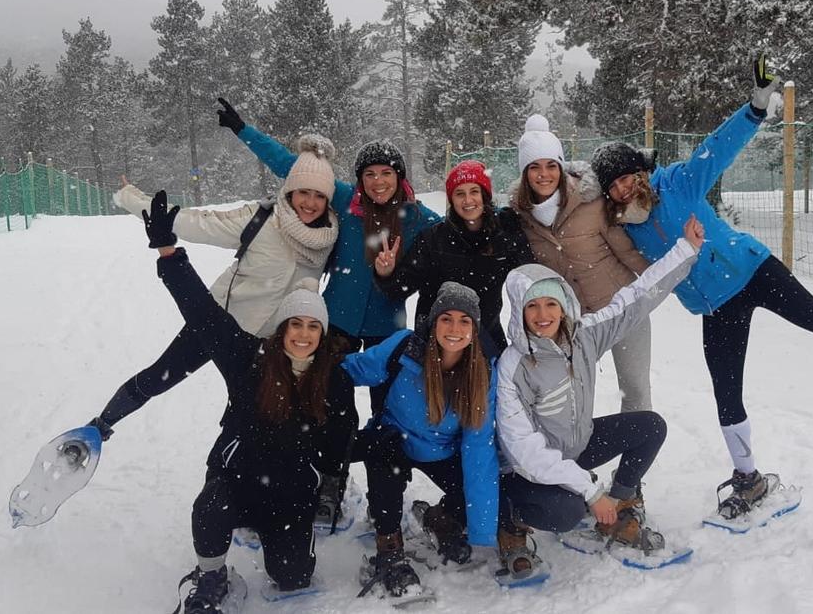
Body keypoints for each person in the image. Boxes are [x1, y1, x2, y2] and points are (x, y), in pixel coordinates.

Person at [594, 53, 813, 522]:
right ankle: (749, 478)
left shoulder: (679, 182)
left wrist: (756, 108)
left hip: (754, 270)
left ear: (640, 171)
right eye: (614, 185)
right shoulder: (622, 226)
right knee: (726, 392)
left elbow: (719, 147)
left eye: (627, 177)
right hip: (714, 305)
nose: (623, 189)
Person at [129, 191, 357, 613]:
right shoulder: (248, 361)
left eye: (313, 326)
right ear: (281, 329)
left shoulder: (333, 380)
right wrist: (168, 253)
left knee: (292, 576)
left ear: (322, 335)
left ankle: (288, 545)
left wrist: (338, 470)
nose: (303, 335)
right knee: (210, 508)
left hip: (291, 494)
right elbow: (203, 315)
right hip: (238, 481)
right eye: (295, 324)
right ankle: (211, 575)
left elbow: (342, 438)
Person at [493, 215, 705, 581]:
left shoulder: (584, 336)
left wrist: (685, 250)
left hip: (577, 447)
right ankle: (510, 517)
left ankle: (621, 504)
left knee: (650, 426)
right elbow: (523, 450)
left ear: (564, 307)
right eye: (532, 306)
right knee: (568, 513)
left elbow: (634, 300)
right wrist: (590, 490)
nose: (543, 315)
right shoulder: (513, 366)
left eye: (550, 304)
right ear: (519, 311)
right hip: (528, 473)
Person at [91, 137, 339, 438]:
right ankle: (99, 427)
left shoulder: (330, 238)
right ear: (290, 191)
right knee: (161, 376)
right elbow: (197, 223)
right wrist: (131, 198)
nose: (310, 203)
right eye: (303, 192)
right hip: (219, 324)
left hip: (273, 342)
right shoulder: (262, 220)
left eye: (318, 196)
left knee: (262, 407)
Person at [216, 97, 441, 353]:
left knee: (387, 395)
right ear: (360, 179)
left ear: (399, 177)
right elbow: (292, 167)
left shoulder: (419, 218)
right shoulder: (346, 199)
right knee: (331, 391)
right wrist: (244, 131)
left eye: (386, 173)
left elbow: (459, 227)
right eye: (370, 174)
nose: (378, 181)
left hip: (387, 328)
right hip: (337, 320)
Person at [341, 282, 498, 602]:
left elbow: (479, 446)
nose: (454, 329)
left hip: (442, 449)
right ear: (433, 321)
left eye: (464, 321)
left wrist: (482, 527)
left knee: (476, 490)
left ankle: (441, 518)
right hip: (393, 440)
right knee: (384, 455)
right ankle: (389, 546)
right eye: (446, 318)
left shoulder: (482, 371)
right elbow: (353, 370)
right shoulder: (405, 347)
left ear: (474, 329)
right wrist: (308, 372)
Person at [508, 114, 655, 411]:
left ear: (561, 166)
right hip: (572, 324)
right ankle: (572, 455)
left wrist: (662, 278)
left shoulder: (590, 200)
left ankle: (638, 454)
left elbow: (626, 251)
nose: (544, 174)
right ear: (524, 174)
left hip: (622, 309)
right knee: (571, 395)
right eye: (534, 167)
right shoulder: (519, 216)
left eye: (551, 165)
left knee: (635, 390)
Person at [374, 159, 533, 355]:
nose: (467, 200)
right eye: (460, 193)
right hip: (436, 341)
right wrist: (386, 273)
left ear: (484, 196)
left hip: (486, 339)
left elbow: (529, 277)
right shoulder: (433, 239)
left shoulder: (504, 236)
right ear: (451, 199)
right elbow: (401, 288)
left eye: (474, 192)